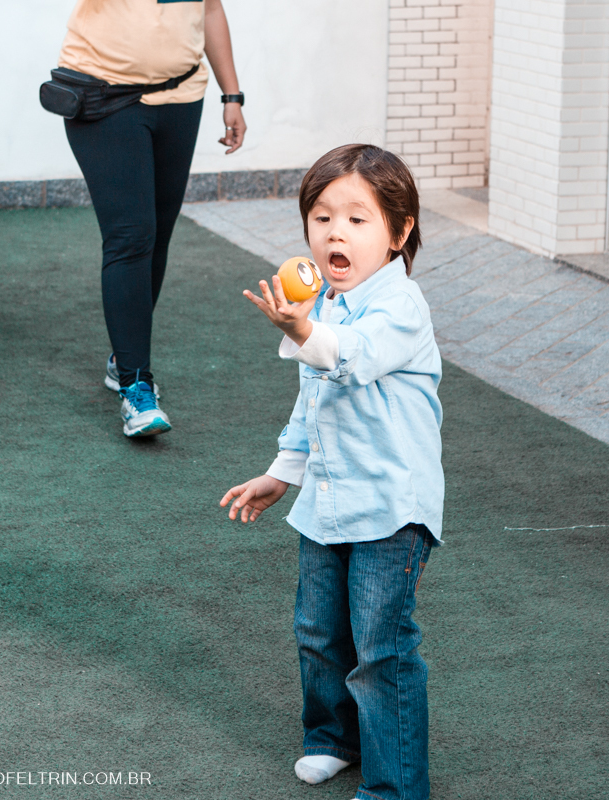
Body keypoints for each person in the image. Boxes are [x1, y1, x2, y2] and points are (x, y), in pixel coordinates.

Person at [220, 144, 442, 800]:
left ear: (400, 234)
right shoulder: (328, 302)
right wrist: (280, 473)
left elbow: (350, 359)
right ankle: (332, 738)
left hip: (390, 507)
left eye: (356, 219)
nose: (334, 232)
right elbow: (311, 399)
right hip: (326, 499)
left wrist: (303, 328)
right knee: (318, 631)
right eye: (320, 218)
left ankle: (395, 785)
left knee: (382, 648)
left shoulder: (400, 306)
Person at [58, 0, 247, 437]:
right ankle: (135, 385)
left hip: (181, 97)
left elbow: (212, 10)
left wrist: (232, 95)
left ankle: (122, 357)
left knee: (157, 234)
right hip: (103, 94)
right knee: (130, 237)